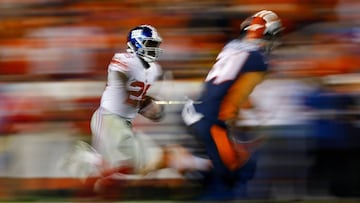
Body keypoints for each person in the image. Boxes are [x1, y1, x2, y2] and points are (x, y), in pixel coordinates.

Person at [61, 25, 211, 198]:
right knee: (135, 164)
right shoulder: (125, 59)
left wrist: (152, 108)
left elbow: (138, 100)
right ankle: (92, 161)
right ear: (136, 43)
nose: (154, 49)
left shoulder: (154, 70)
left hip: (121, 123)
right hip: (109, 119)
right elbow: (122, 77)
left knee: (124, 172)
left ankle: (94, 163)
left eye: (155, 45)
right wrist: (139, 101)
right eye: (150, 44)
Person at [181, 10, 284, 200]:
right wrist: (256, 115)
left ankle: (199, 168)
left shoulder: (230, 48)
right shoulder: (258, 60)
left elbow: (226, 89)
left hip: (197, 113)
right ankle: (198, 168)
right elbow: (238, 95)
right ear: (265, 34)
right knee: (234, 172)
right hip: (211, 121)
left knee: (233, 168)